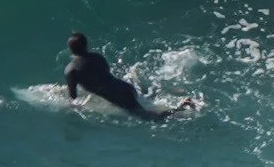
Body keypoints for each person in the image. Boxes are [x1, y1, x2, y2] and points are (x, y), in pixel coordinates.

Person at [65, 33, 194, 121]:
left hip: (121, 97)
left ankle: (180, 108)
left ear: (70, 49)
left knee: (150, 118)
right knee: (148, 103)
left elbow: (73, 99)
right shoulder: (98, 57)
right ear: (86, 45)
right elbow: (105, 76)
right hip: (126, 87)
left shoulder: (71, 70)